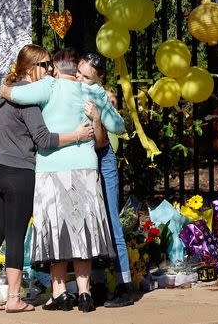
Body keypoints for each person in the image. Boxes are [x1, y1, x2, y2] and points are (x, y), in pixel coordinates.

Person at [0, 44, 94, 313]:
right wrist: (77, 135)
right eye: (45, 64)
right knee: (15, 234)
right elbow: (44, 139)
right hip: (17, 173)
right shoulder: (27, 99)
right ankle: (14, 298)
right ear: (30, 67)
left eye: (51, 65)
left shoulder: (7, 96)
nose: (50, 70)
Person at [0, 49, 125, 313]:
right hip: (85, 167)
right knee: (83, 230)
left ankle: (59, 293)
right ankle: (84, 292)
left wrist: (4, 89)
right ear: (75, 70)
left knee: (56, 229)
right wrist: (99, 111)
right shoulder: (91, 91)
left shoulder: (49, 86)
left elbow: (18, 94)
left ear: (56, 68)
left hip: (52, 167)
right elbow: (118, 125)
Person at [77, 52, 134, 308]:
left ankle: (125, 285)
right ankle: (97, 284)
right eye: (78, 71)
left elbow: (119, 126)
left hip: (103, 158)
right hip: (80, 160)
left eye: (86, 76)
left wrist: (100, 103)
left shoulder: (97, 93)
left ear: (98, 79)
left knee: (110, 220)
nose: (80, 78)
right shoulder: (70, 88)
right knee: (90, 221)